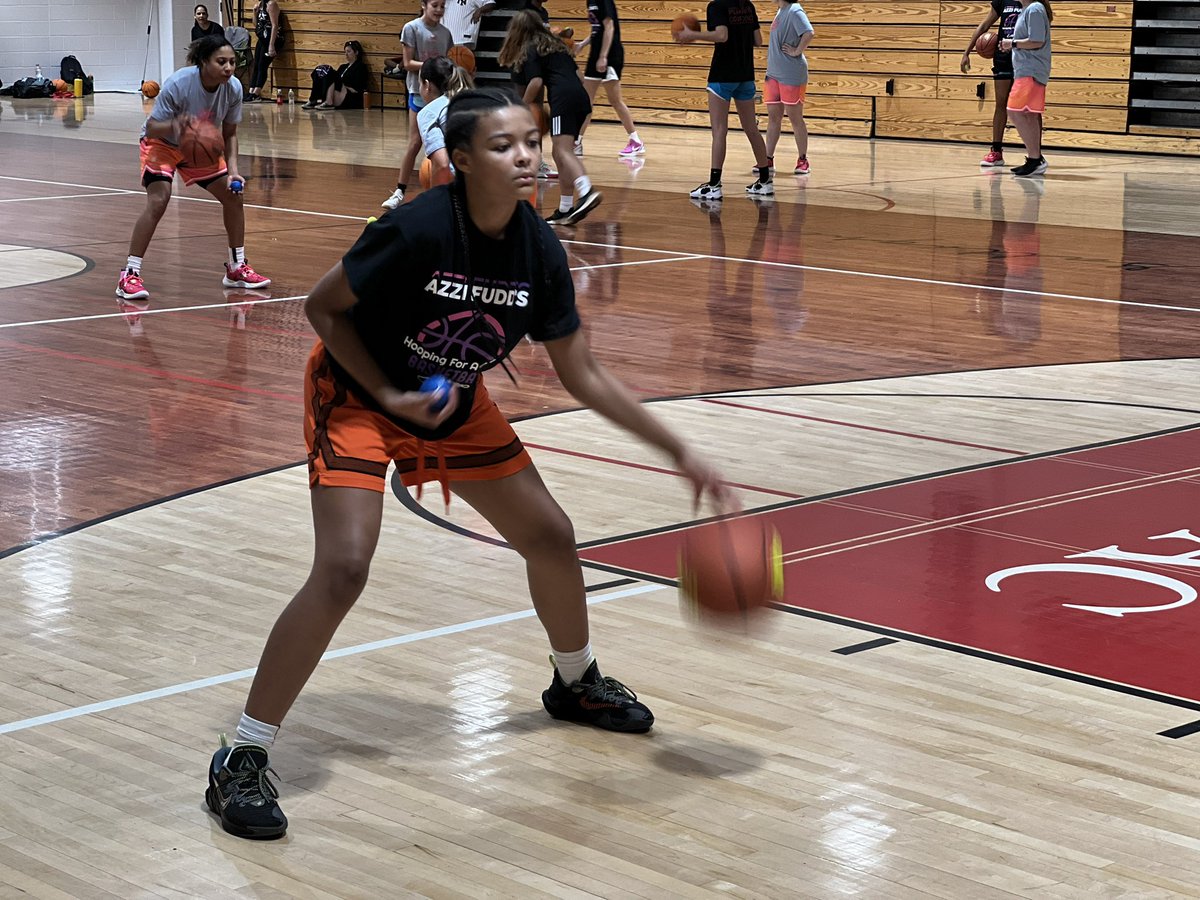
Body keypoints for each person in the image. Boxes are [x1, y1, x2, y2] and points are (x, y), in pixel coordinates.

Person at [203, 87, 729, 840]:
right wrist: (384, 389)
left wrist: (679, 449)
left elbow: (584, 374)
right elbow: (323, 308)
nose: (526, 157)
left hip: (450, 400)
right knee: (345, 566)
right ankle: (242, 756)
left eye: (532, 142)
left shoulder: (540, 250)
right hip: (357, 393)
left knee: (550, 534)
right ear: (462, 159)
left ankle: (575, 682)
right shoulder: (416, 228)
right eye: (504, 144)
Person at [116, 35, 270, 303]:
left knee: (234, 196)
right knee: (159, 199)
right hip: (161, 142)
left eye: (232, 62)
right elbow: (152, 127)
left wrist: (233, 170)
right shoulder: (179, 83)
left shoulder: (233, 88)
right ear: (203, 62)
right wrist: (182, 125)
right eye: (221, 61)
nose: (229, 67)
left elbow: (230, 133)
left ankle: (236, 268)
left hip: (198, 146)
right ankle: (129, 274)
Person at [499, 10, 603, 226]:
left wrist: (520, 107)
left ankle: (586, 190)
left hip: (563, 99)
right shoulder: (557, 46)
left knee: (562, 151)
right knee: (560, 152)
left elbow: (536, 82)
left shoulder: (530, 48)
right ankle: (565, 208)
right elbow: (579, 76)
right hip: (581, 97)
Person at [676, 0, 773, 200]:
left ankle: (714, 184)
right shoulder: (747, 5)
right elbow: (758, 40)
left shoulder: (716, 6)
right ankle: (764, 181)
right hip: (745, 74)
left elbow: (722, 35)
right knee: (751, 129)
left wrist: (692, 35)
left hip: (722, 75)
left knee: (719, 130)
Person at [381, 0, 453, 210]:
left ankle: (441, 193)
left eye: (442, 6)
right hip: (420, 92)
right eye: (435, 5)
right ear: (424, 5)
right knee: (415, 143)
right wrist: (434, 67)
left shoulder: (446, 33)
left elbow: (448, 63)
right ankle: (399, 191)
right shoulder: (411, 28)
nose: (439, 10)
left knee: (445, 146)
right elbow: (407, 63)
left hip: (442, 95)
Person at [573, 0, 644, 158]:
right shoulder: (590, 1)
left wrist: (604, 56)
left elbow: (609, 26)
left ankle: (635, 141)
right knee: (585, 100)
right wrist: (583, 44)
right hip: (596, 54)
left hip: (610, 55)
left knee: (615, 100)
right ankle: (577, 142)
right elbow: (597, 28)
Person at [961, 0, 1023, 167]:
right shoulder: (1002, 1)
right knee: (1000, 104)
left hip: (1024, 58)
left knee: (1027, 108)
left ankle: (1035, 155)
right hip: (1003, 57)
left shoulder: (1032, 3)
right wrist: (967, 52)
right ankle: (996, 151)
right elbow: (984, 26)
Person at [1000, 0, 1052, 176]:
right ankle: (1035, 159)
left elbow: (1037, 41)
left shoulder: (1035, 9)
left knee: (1014, 111)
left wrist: (1012, 43)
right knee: (1029, 114)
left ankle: (1035, 158)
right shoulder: (1027, 10)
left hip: (1031, 70)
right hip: (1028, 70)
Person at [763, 0, 813, 175]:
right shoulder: (781, 10)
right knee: (773, 117)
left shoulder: (794, 10)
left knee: (795, 117)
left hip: (791, 74)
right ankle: (767, 159)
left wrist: (796, 51)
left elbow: (808, 33)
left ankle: (803, 160)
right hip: (773, 74)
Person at [414, 55, 474, 184]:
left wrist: (436, 199)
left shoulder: (429, 112)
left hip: (469, 184)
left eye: (419, 83)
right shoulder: (473, 99)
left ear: (427, 85)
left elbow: (442, 164)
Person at [302, 40, 370, 110]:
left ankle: (329, 102)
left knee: (329, 70)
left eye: (349, 52)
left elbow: (359, 89)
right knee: (319, 69)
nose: (346, 54)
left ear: (356, 52)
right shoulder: (342, 67)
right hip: (337, 91)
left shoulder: (361, 67)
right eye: (345, 52)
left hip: (349, 96)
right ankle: (313, 99)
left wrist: (344, 85)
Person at [246, 0, 283, 102]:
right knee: (256, 65)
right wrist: (254, 12)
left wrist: (271, 45)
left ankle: (257, 93)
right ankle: (251, 91)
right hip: (262, 38)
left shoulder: (271, 4)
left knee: (263, 65)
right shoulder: (260, 4)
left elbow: (275, 25)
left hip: (272, 39)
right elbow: (256, 24)